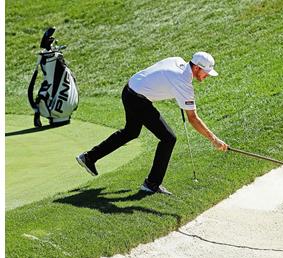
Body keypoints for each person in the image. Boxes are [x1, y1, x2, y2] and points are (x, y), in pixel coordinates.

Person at [76, 51, 228, 195]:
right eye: (206, 72)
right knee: (168, 138)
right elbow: (193, 118)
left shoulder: (177, 61)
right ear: (196, 67)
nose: (207, 75)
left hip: (129, 90)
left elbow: (163, 77)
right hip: (138, 99)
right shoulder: (183, 82)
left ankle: (89, 157)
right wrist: (213, 139)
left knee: (131, 132)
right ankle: (151, 184)